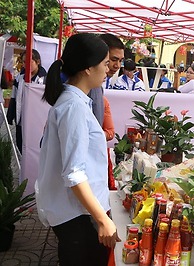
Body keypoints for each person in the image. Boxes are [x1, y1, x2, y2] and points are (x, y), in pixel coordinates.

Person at [36, 33, 120, 266]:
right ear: (87, 69)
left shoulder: (76, 102)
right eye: (104, 64)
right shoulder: (73, 107)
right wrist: (102, 219)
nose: (108, 70)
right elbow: (74, 173)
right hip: (78, 216)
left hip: (81, 213)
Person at [6, 49, 47, 153]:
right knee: (20, 144)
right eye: (24, 62)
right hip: (21, 118)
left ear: (37, 61)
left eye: (29, 62)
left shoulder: (44, 79)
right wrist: (11, 114)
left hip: (37, 120)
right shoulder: (20, 77)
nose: (25, 65)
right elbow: (14, 96)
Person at [88, 33, 124, 126]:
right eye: (113, 59)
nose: (117, 66)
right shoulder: (88, 88)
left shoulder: (96, 87)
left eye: (120, 61)